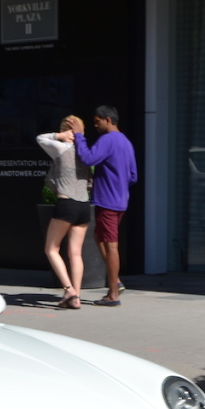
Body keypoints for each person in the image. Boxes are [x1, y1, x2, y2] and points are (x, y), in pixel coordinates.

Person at [67, 104, 137, 306]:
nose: (95, 127)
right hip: (120, 200)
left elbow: (89, 158)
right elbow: (133, 176)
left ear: (108, 120)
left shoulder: (107, 140)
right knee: (100, 237)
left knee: (111, 245)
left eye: (97, 123)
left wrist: (79, 136)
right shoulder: (126, 142)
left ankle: (113, 293)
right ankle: (116, 281)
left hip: (107, 200)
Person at [37, 115, 92, 310]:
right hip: (84, 206)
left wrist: (58, 135)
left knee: (51, 249)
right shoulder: (84, 152)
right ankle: (76, 297)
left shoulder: (61, 148)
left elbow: (40, 138)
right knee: (76, 253)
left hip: (66, 203)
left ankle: (68, 289)